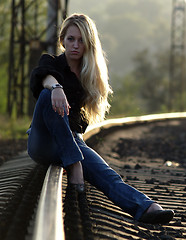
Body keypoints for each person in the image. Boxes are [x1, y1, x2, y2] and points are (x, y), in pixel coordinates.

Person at [27, 13, 174, 224]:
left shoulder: (89, 76)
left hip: (70, 140)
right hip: (43, 142)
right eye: (71, 39)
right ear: (62, 40)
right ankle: (75, 163)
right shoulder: (50, 63)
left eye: (81, 41)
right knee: (47, 95)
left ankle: (145, 207)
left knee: (107, 174)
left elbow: (78, 123)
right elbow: (43, 75)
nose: (75, 45)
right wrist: (57, 88)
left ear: (88, 44)